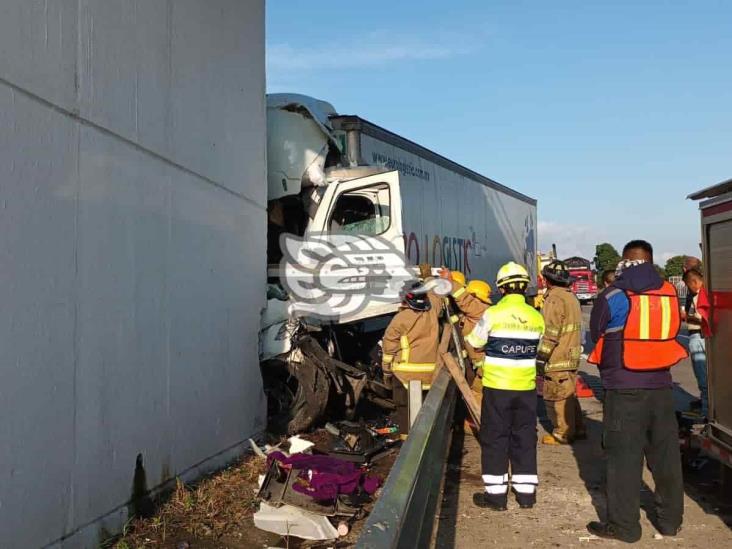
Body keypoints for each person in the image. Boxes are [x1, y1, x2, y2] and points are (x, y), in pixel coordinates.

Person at [587, 240, 688, 542]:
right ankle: (670, 522)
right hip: (661, 386)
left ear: (626, 262)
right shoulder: (669, 292)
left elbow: (597, 333)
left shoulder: (613, 295)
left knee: (624, 459)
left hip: (624, 386)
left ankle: (625, 527)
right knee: (666, 457)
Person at [466, 262, 545, 510]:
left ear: (501, 288)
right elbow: (538, 348)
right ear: (524, 287)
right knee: (524, 437)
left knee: (495, 438)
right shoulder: (536, 317)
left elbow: (475, 342)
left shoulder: (493, 314)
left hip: (497, 388)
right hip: (526, 388)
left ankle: (496, 497)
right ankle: (526, 496)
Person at [381, 279, 442, 434]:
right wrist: (428, 280)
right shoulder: (433, 311)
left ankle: (406, 446)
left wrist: (386, 371)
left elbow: (389, 346)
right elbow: (436, 296)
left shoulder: (401, 319)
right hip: (430, 374)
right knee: (425, 411)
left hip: (405, 376)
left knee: (404, 412)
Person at [537, 261, 586, 445]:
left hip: (558, 355)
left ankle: (563, 433)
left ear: (547, 280)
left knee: (557, 394)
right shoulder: (570, 296)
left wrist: (541, 358)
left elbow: (550, 333)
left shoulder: (554, 299)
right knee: (569, 393)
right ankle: (578, 427)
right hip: (571, 353)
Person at [683, 268, 709, 419]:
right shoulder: (706, 292)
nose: (688, 288)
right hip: (703, 337)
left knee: (703, 378)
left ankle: (706, 413)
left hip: (698, 337)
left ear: (693, 282)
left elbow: (701, 320)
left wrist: (687, 317)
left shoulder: (700, 295)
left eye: (687, 285)